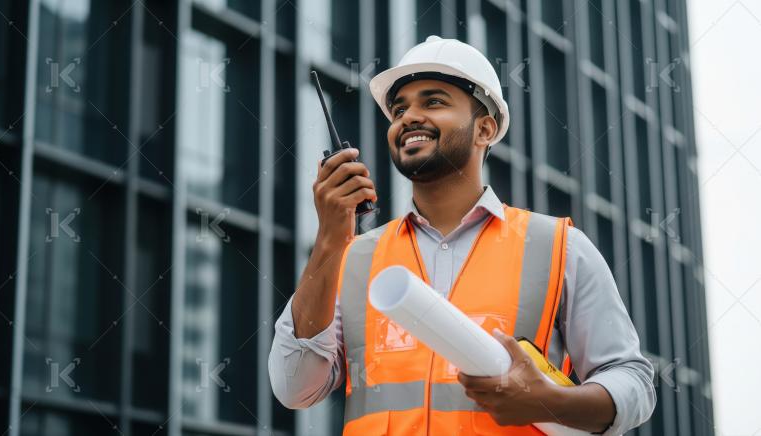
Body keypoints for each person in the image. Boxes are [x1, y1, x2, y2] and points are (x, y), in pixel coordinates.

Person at [269, 36, 655, 435]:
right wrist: (331, 239)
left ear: (484, 129)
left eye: (433, 102)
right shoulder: (351, 258)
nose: (408, 117)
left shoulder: (557, 247)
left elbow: (633, 382)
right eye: (399, 109)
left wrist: (551, 401)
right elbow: (294, 387)